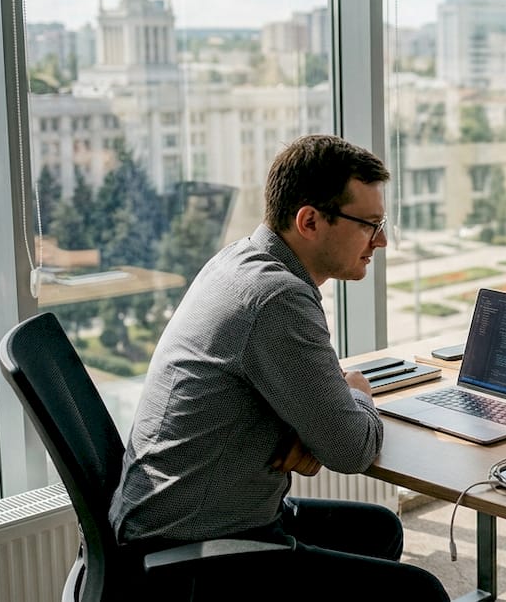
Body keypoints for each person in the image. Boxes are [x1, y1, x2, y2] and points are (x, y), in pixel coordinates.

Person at [109, 134, 448, 600]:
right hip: (197, 548)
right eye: (369, 224)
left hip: (173, 519)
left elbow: (318, 418)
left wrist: (313, 425)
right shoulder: (276, 299)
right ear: (309, 220)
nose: (382, 240)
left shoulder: (240, 260)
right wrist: (359, 395)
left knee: (378, 529)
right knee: (420, 593)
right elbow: (351, 449)